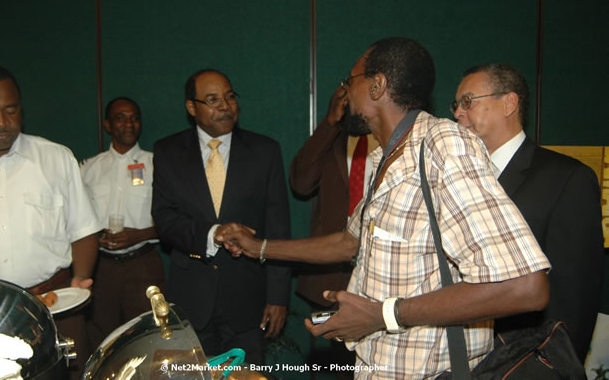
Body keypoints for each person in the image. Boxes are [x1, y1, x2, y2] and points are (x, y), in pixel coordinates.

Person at [217, 38, 551, 379]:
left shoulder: (442, 145)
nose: (346, 92)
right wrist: (258, 247)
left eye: (350, 81)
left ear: (377, 85)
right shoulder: (383, 158)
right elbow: (348, 243)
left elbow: (524, 287)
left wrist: (382, 315)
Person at [452, 63, 604, 362]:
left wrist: (556, 367)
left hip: (524, 361)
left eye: (467, 102)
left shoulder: (567, 178)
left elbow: (577, 295)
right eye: (455, 105)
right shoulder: (458, 177)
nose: (457, 113)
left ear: (509, 103)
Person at [151, 69, 291, 364]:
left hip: (247, 299)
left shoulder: (265, 152)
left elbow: (278, 229)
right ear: (192, 108)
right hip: (190, 300)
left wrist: (278, 297)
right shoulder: (168, 151)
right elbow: (164, 220)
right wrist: (212, 233)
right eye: (212, 100)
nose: (225, 106)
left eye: (229, 97)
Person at [0, 63, 101, 379]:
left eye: (11, 110)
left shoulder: (55, 157)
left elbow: (84, 229)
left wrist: (81, 278)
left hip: (54, 306)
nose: (2, 123)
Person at [290, 85, 377, 377]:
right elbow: (301, 184)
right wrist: (328, 124)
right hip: (329, 274)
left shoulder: (393, 140)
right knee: (334, 369)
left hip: (379, 275)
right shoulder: (334, 138)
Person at [80, 97, 166, 350]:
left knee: (151, 337)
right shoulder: (89, 168)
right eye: (120, 117)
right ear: (107, 125)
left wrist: (140, 235)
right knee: (101, 340)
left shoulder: (156, 164)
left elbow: (176, 220)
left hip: (143, 266)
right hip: (101, 268)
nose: (129, 123)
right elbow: (76, 217)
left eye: (134, 118)